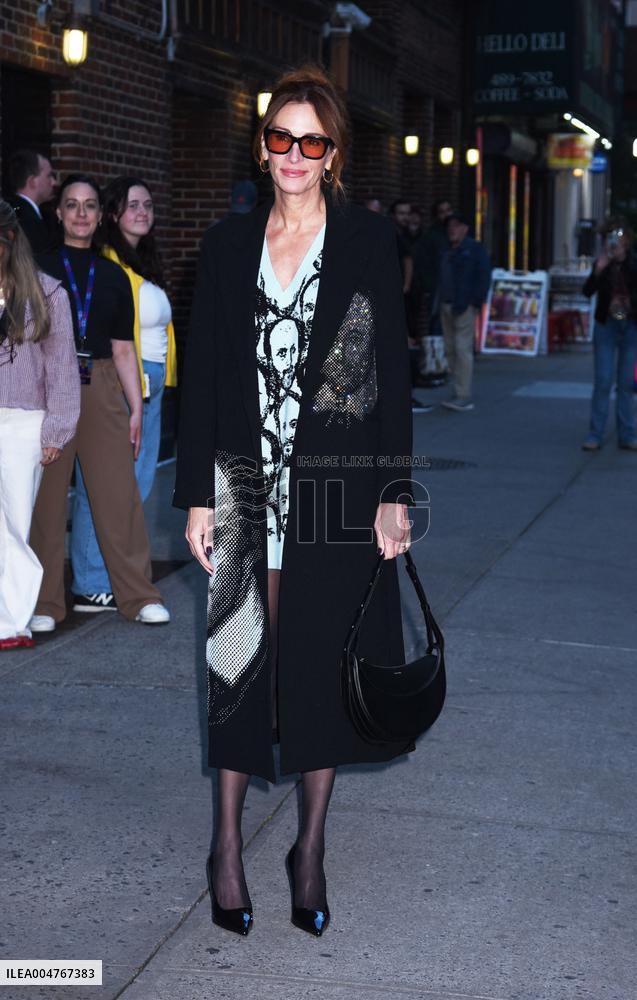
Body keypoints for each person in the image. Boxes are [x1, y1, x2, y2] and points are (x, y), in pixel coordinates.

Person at [174, 64, 414, 938]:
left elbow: (387, 373)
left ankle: (308, 848)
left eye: (311, 141)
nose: (294, 154)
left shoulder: (364, 244)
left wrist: (393, 492)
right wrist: (196, 495)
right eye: (281, 137)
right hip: (242, 489)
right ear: (261, 144)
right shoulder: (226, 247)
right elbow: (200, 375)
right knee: (238, 670)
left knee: (319, 669)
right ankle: (226, 847)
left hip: (334, 495)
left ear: (333, 154)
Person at [30, 174, 170, 632]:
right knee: (47, 503)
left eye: (90, 205)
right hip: (49, 384)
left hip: (102, 382)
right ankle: (46, 604)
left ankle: (138, 596)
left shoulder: (111, 275)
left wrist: (136, 408)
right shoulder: (38, 266)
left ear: (98, 215)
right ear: (59, 212)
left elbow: (124, 347)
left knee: (118, 495)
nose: (82, 213)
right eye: (72, 204)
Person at [69, 176, 178, 611]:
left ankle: (112, 574)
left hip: (151, 382)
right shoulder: (108, 263)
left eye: (148, 205)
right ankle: (90, 581)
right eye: (133, 205)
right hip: (120, 382)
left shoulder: (142, 263)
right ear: (113, 214)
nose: (142, 212)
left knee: (135, 484)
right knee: (104, 483)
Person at [0, 201, 79, 650]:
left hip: (24, 422)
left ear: (10, 241)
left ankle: (12, 623)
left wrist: (57, 431)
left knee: (14, 523)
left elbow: (62, 369)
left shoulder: (48, 293)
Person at [582, 218, 637, 451]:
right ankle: (595, 434)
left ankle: (627, 434)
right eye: (611, 238)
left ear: (627, 241)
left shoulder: (634, 263)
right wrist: (598, 270)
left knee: (626, 383)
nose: (614, 242)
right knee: (603, 380)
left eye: (619, 237)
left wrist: (624, 260)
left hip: (630, 325)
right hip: (606, 325)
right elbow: (587, 291)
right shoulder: (602, 263)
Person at [439, 211, 491, 411]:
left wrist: (475, 302)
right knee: (451, 349)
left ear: (465, 229)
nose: (452, 229)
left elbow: (483, 276)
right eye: (450, 226)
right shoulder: (447, 250)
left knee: (462, 349)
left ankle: (463, 394)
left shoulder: (474, 250)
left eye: (456, 225)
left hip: (464, 305)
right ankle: (459, 388)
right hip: (446, 304)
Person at [415, 198, 453, 387]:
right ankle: (436, 365)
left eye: (448, 211)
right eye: (442, 211)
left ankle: (444, 364)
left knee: (447, 327)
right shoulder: (432, 236)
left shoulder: (451, 234)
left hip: (450, 288)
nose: (446, 215)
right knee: (436, 326)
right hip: (437, 288)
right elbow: (425, 264)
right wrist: (429, 287)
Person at [7, 150, 57, 254]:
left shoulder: (13, 211)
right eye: (49, 176)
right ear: (32, 181)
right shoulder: (23, 220)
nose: (54, 182)